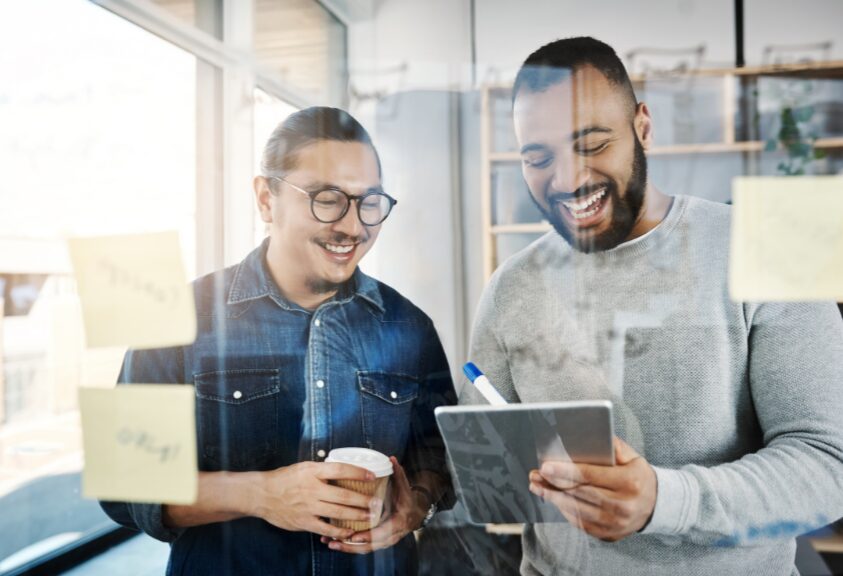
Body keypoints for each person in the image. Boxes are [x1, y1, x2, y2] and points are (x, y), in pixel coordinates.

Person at [461, 36, 843, 575]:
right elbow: (484, 468)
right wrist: (418, 494)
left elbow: (828, 465)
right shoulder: (512, 287)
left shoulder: (770, 253)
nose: (567, 180)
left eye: (592, 144)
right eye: (538, 157)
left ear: (643, 127)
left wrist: (662, 501)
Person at [101, 106, 457, 576]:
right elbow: (122, 485)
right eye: (327, 198)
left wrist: (416, 507)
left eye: (369, 202)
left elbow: (440, 456)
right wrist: (261, 495)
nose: (353, 227)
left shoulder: (410, 326)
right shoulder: (176, 319)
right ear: (266, 199)